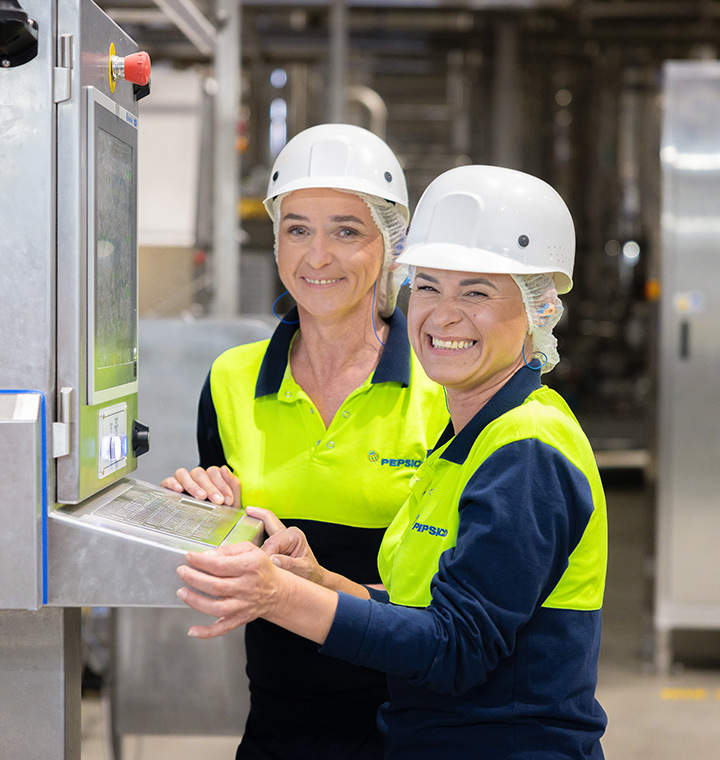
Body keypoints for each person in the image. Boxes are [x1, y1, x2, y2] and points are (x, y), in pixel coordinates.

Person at [175, 165, 608, 759]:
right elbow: (424, 608)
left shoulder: (527, 448)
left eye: (477, 291)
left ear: (540, 308)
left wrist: (280, 597)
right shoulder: (467, 439)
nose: (443, 314)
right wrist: (318, 579)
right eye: (428, 286)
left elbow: (455, 648)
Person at [161, 124, 448, 760]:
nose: (317, 256)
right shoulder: (231, 379)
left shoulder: (442, 384)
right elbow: (236, 548)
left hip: (412, 725)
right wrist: (201, 509)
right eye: (298, 228)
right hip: (277, 721)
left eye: (347, 230)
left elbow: (458, 598)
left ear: (391, 245)